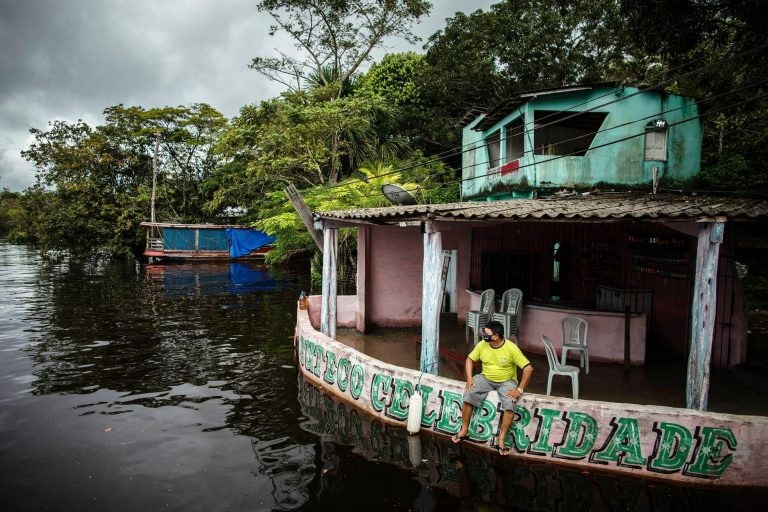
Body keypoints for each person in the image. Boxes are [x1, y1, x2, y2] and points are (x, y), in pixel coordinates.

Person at [452, 320, 533, 455]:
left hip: (507, 381)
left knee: (510, 403)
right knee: (468, 394)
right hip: (486, 378)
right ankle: (464, 429)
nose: (483, 334)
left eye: (487, 333)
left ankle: (501, 440)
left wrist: (519, 389)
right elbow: (469, 359)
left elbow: (528, 368)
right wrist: (470, 378)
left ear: (495, 336)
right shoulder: (482, 345)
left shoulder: (511, 348)